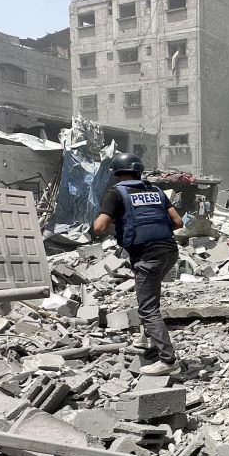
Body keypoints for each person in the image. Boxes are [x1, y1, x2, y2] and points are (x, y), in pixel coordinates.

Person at [91, 153, 184, 376]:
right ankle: (147, 338)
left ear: (116, 173)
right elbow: (178, 222)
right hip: (169, 251)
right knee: (150, 296)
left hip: (147, 256)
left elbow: (99, 228)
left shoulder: (116, 193)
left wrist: (119, 220)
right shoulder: (156, 190)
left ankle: (168, 360)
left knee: (148, 307)